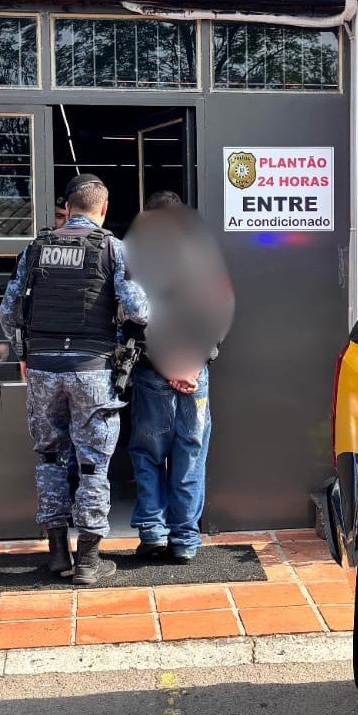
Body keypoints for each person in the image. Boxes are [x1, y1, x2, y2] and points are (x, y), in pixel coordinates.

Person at [0, 174, 148, 585]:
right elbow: (139, 310)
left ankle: (57, 554)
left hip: (43, 369)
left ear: (67, 207)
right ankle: (88, 561)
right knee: (92, 464)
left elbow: (8, 312)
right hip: (91, 370)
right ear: (104, 209)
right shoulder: (113, 249)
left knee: (50, 458)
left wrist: (24, 352)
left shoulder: (35, 248)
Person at [124, 191, 233, 563]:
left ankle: (153, 534)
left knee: (148, 455)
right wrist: (195, 363)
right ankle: (185, 540)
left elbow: (133, 317)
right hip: (194, 375)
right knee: (190, 454)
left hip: (153, 372)